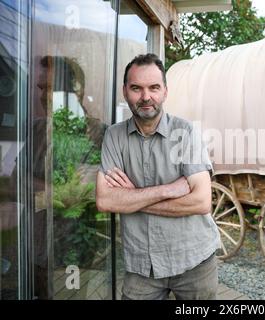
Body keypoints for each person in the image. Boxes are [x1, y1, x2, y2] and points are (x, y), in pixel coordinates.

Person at [95, 53, 221, 300]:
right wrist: (167, 190)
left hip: (193, 260)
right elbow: (105, 201)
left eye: (154, 87)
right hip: (141, 265)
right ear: (125, 91)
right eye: (136, 88)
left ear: (165, 91)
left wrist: (132, 198)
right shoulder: (114, 136)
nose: (145, 97)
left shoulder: (185, 132)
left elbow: (201, 202)